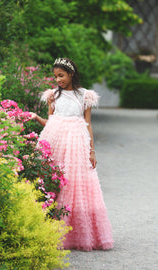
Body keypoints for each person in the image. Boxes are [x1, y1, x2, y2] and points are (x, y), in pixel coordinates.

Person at [30, 57, 114, 251]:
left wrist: (92, 151)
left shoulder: (84, 96)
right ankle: (48, 229)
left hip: (76, 145)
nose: (58, 79)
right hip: (55, 141)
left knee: (77, 185)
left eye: (61, 75)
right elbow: (51, 122)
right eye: (55, 76)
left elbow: (87, 123)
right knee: (53, 182)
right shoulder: (53, 95)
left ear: (71, 74)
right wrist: (36, 117)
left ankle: (77, 234)